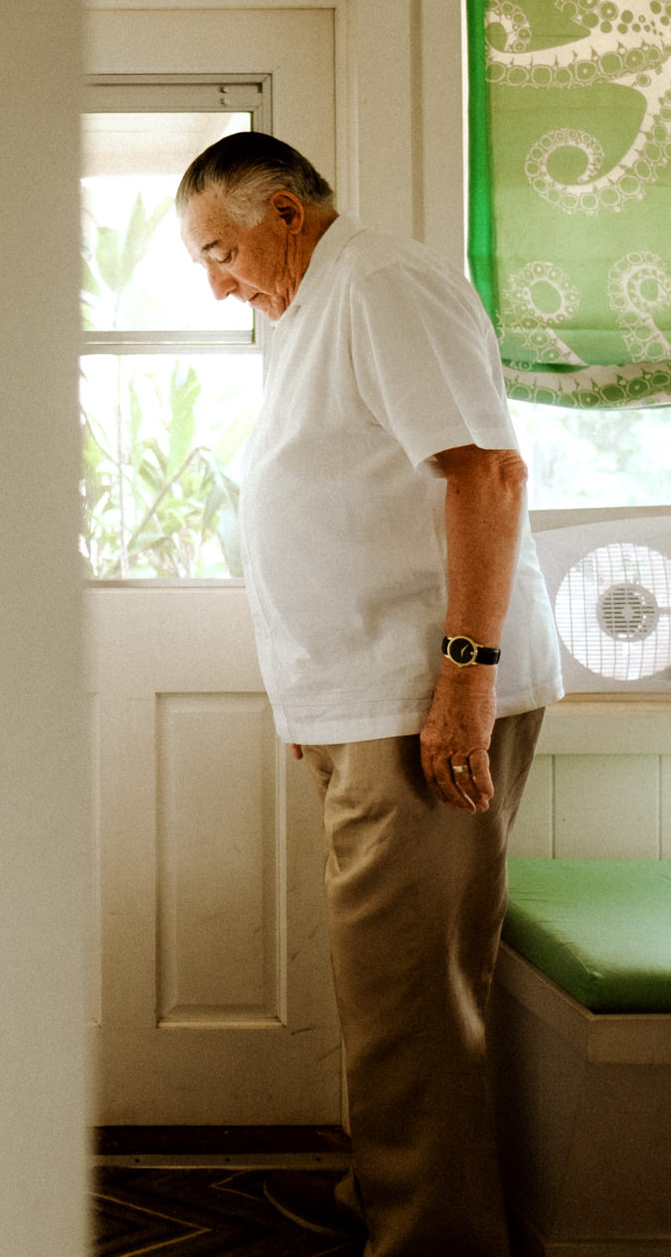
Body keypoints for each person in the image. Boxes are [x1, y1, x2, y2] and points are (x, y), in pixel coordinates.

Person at [176, 132, 563, 1256]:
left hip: (416, 699)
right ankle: (389, 1204)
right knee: (390, 993)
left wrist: (461, 681)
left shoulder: (382, 283)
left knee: (409, 1004)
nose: (217, 283)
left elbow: (483, 474)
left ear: (285, 213)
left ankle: (430, 1241)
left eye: (222, 250)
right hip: (366, 702)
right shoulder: (311, 312)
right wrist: (310, 702)